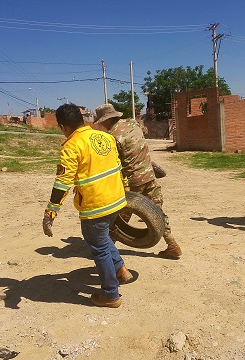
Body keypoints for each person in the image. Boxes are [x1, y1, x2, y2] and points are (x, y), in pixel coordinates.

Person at [42, 103, 133, 308]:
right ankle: (121, 270)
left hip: (96, 206)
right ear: (83, 120)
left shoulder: (72, 145)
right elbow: (120, 167)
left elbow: (63, 183)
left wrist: (50, 213)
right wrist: (125, 189)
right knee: (101, 238)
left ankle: (110, 295)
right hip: (117, 200)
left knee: (98, 247)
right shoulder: (105, 136)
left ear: (63, 127)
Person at [94, 103, 182, 259]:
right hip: (149, 175)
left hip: (134, 181)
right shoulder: (132, 123)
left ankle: (108, 249)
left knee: (121, 216)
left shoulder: (111, 137)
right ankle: (172, 245)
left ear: (105, 120)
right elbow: (144, 131)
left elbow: (113, 162)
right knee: (157, 212)